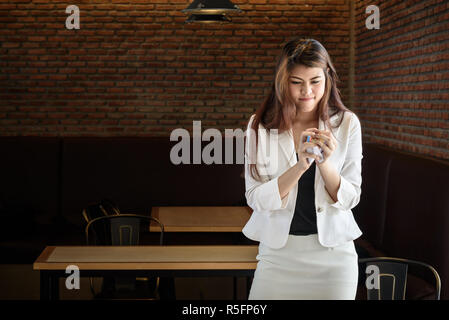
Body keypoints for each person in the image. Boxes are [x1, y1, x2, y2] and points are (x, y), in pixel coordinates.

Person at [243, 37, 363, 300]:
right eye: (296, 82)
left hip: (334, 260)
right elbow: (255, 198)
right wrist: (299, 166)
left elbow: (351, 197)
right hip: (278, 257)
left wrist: (324, 164)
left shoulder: (347, 124)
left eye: (315, 81)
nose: (306, 91)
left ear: (327, 77)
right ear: (282, 81)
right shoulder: (260, 126)